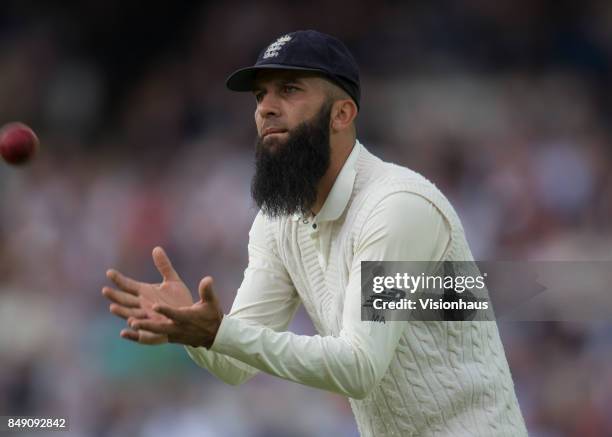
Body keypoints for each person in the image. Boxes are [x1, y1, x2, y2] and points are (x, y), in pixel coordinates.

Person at [102, 30, 528, 436]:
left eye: (289, 90)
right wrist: (190, 328)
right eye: (260, 95)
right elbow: (235, 364)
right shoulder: (278, 221)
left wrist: (219, 333)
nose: (266, 108)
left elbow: (359, 368)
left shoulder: (400, 207)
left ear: (342, 114)